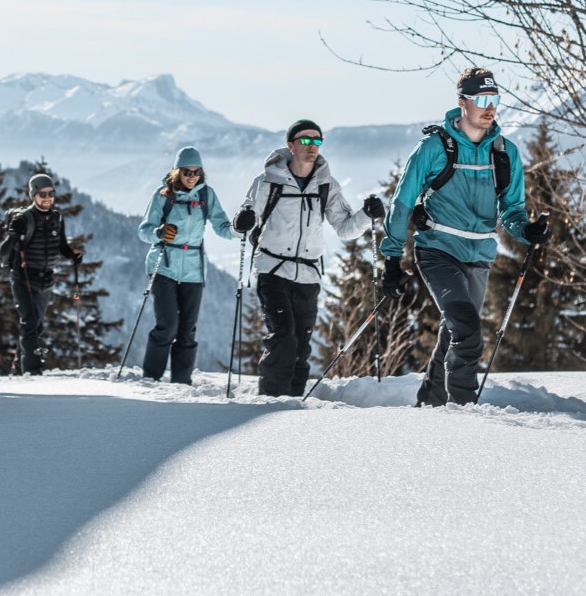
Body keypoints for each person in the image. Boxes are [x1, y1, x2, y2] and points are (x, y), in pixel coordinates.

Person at [378, 68, 549, 406]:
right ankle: (462, 412)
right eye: (482, 100)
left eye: (495, 100)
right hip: (437, 251)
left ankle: (430, 401)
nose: (490, 108)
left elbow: (512, 210)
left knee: (455, 332)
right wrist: (391, 260)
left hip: (480, 255)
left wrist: (526, 230)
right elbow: (402, 201)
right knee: (468, 332)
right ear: (462, 103)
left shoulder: (504, 152)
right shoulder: (434, 147)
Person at [234, 119, 385, 397]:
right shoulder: (267, 181)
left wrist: (367, 215)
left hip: (308, 274)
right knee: (283, 338)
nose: (312, 146)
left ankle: (291, 403)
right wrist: (241, 221)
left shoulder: (326, 184)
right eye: (305, 140)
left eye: (317, 141)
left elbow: (345, 228)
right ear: (291, 145)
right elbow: (245, 220)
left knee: (301, 344)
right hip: (272, 270)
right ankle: (270, 401)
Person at [136, 146, 235, 384]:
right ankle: (151, 377)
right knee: (167, 325)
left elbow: (223, 226)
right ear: (177, 172)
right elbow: (144, 231)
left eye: (196, 172)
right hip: (163, 266)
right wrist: (159, 232)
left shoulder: (206, 195)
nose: (192, 177)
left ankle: (182, 382)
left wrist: (239, 230)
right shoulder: (163, 195)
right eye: (187, 172)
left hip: (193, 269)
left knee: (188, 329)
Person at [3, 173, 81, 375]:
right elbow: (3, 251)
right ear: (33, 195)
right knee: (29, 323)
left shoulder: (57, 218)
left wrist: (72, 255)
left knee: (36, 326)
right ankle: (32, 373)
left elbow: (61, 246)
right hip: (23, 277)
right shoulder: (24, 219)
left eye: (51, 193)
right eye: (42, 194)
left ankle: (18, 370)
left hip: (46, 278)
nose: (47, 198)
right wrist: (13, 234)